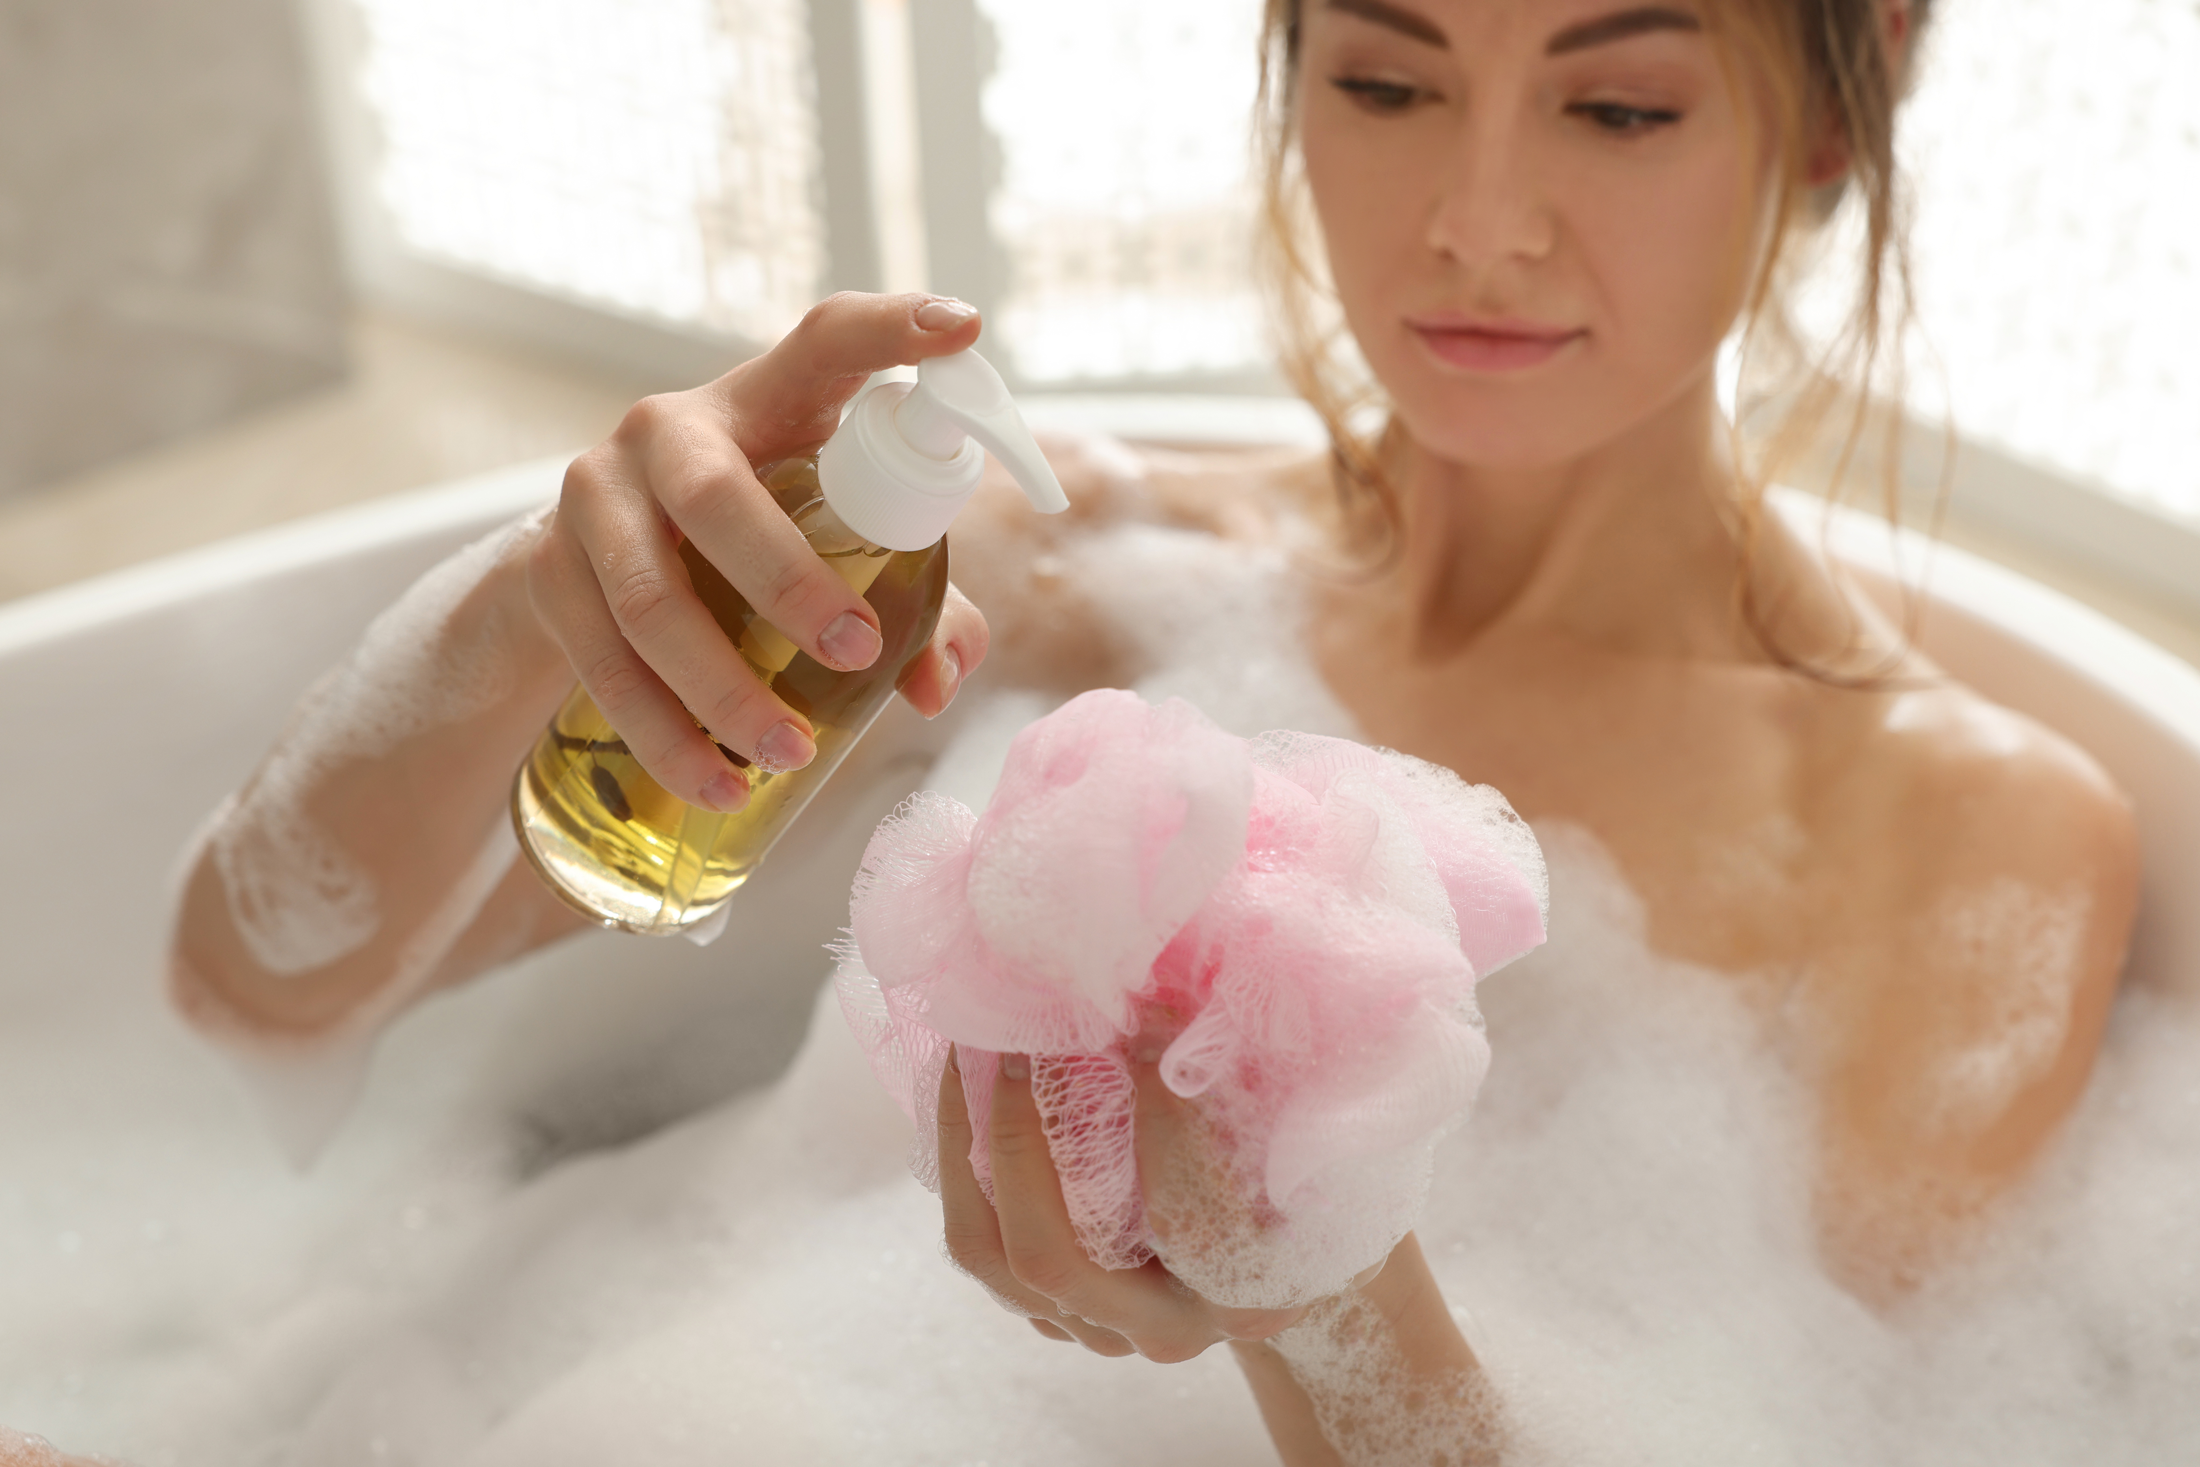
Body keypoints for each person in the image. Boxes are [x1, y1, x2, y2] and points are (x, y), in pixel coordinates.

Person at [160, 0, 2138, 1460]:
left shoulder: (1959, 843)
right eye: (1381, 78)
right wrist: (526, 607)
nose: (1473, 219)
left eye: (1616, 105)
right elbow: (262, 984)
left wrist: (1316, 1290)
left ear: (1834, 109)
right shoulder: (1087, 561)